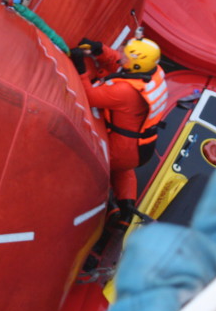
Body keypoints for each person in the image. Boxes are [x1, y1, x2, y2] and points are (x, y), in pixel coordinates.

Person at [69, 37, 171, 232]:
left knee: (95, 166)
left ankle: (109, 204)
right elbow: (120, 61)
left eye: (126, 52)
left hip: (123, 148)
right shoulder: (153, 72)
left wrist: (80, 67)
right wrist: (101, 50)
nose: (122, 51)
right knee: (124, 170)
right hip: (140, 149)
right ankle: (127, 208)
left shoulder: (125, 91)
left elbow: (89, 97)